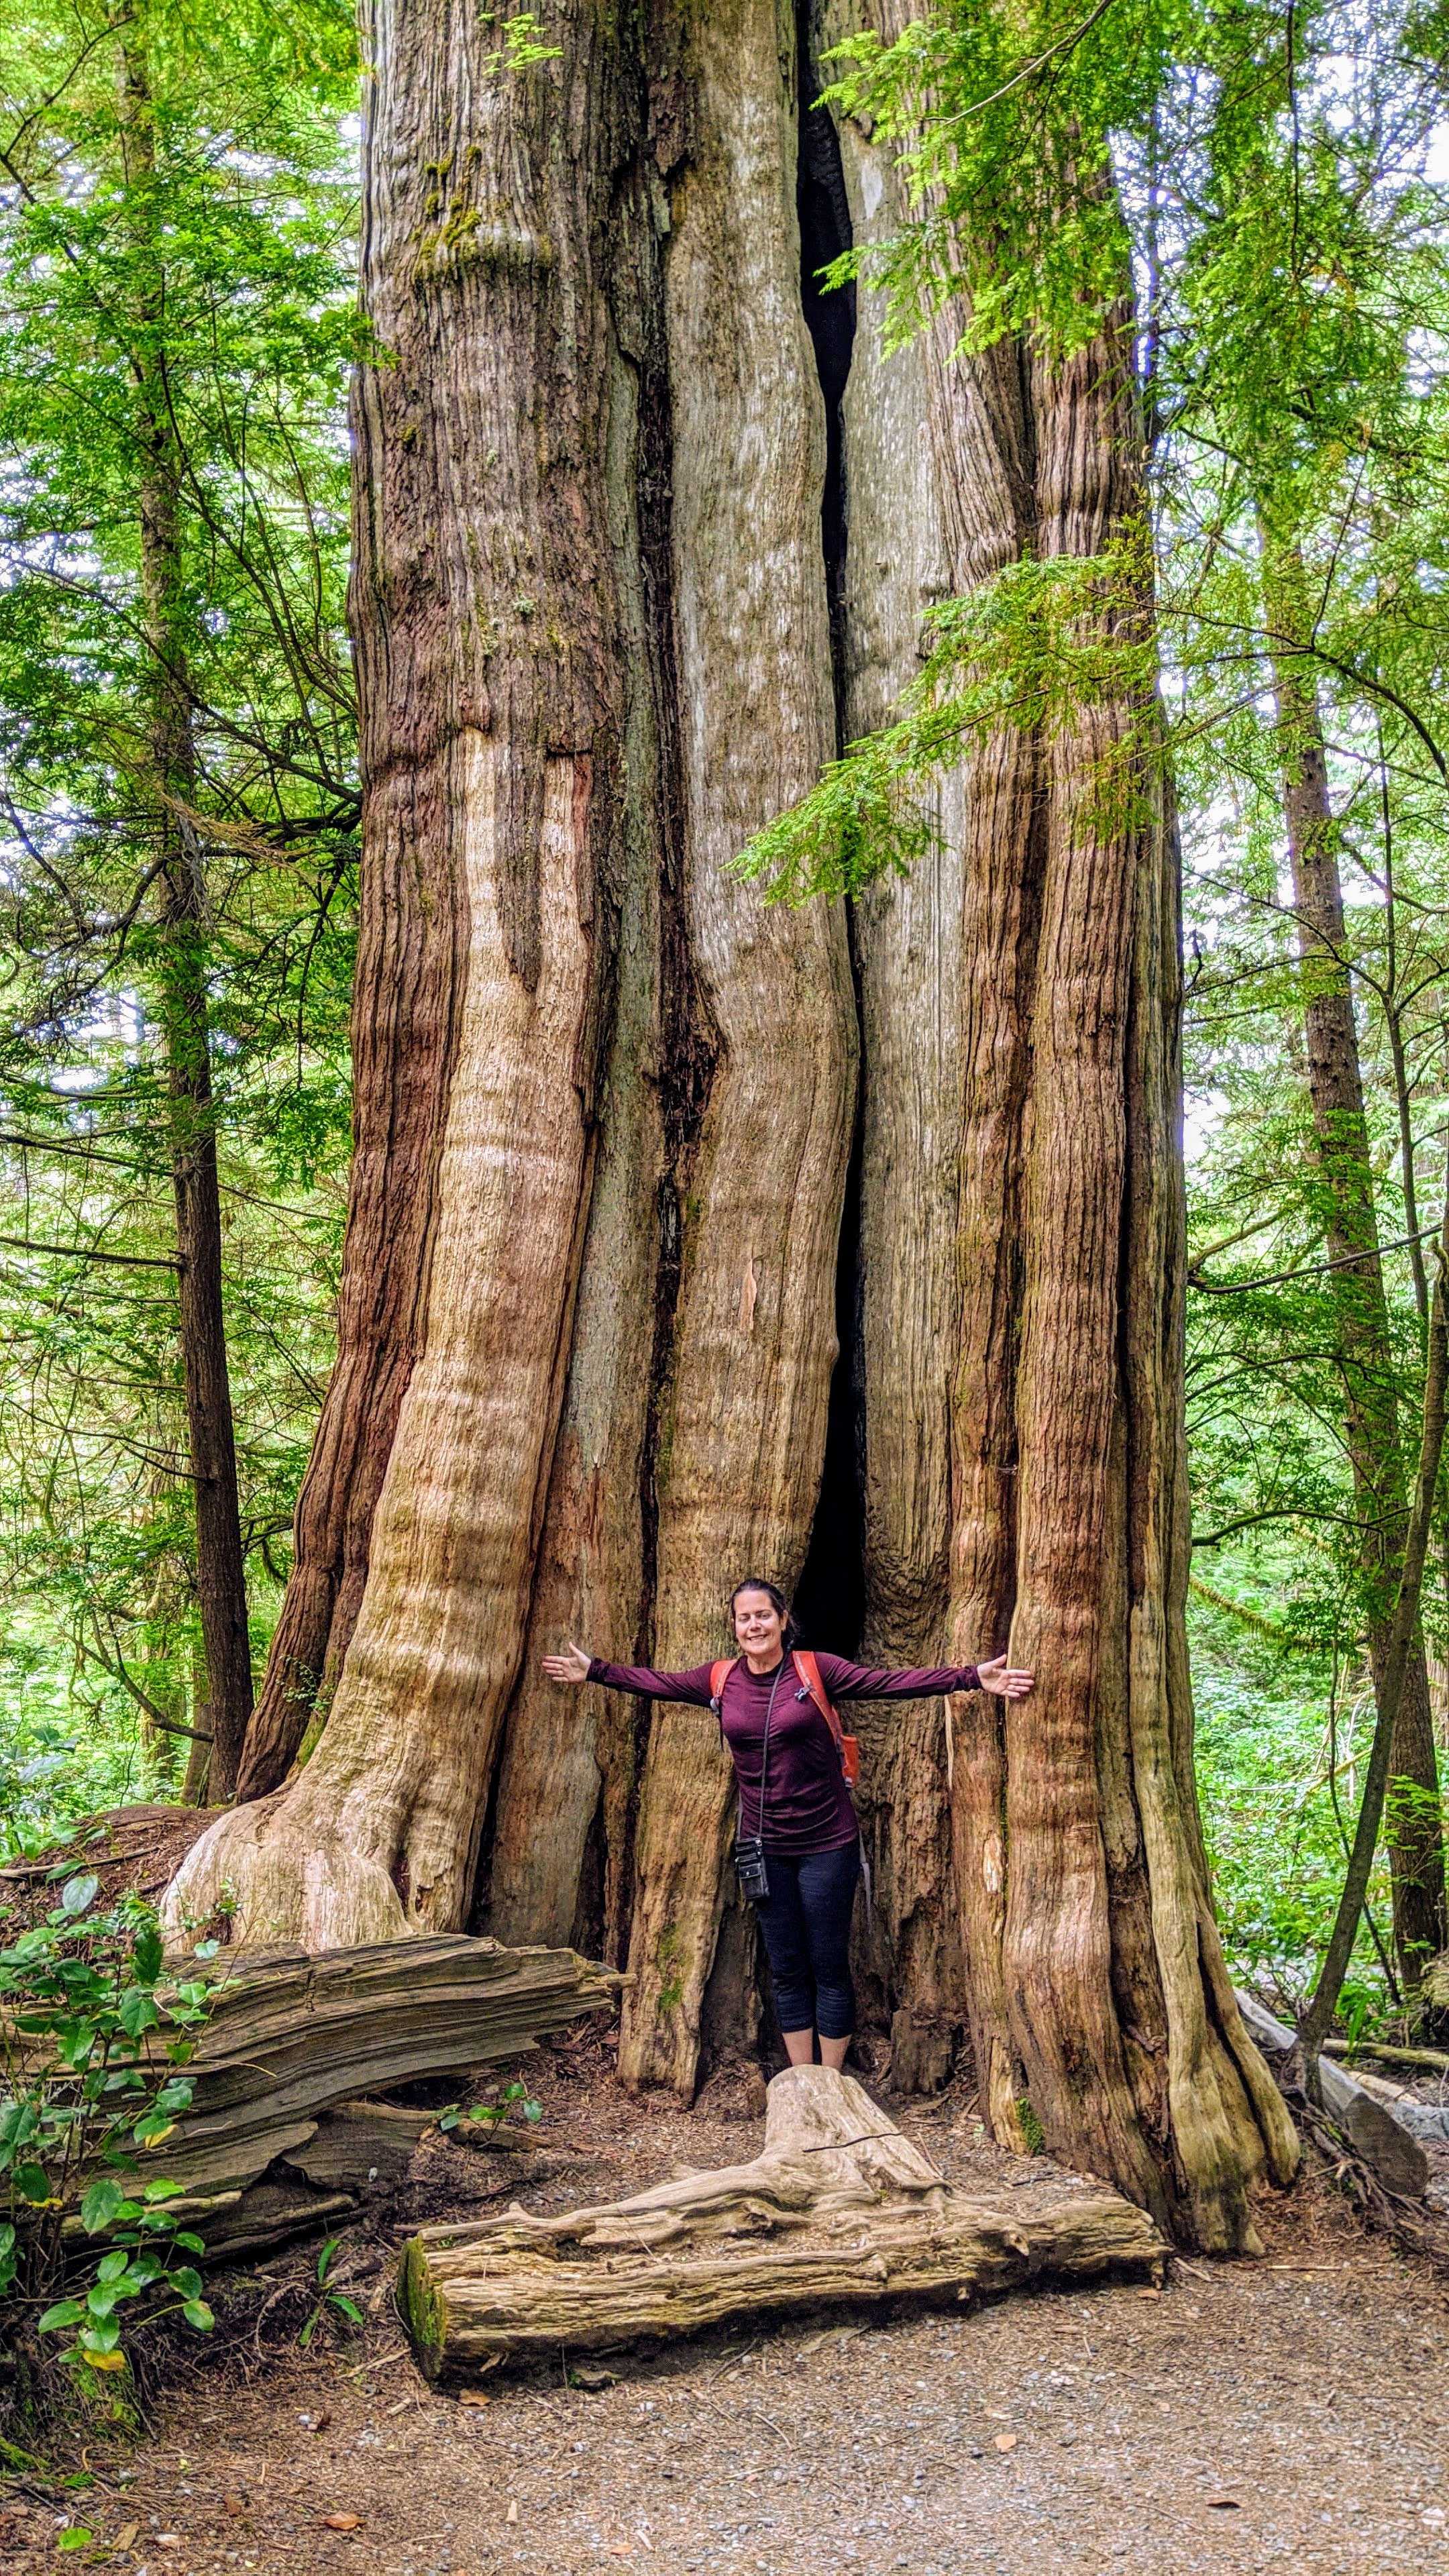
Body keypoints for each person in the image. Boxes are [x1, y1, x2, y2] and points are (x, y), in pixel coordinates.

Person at [541, 1577, 1034, 2075]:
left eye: (763, 1615)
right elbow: (659, 1684)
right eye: (744, 1618)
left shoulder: (816, 1670)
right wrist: (595, 1672)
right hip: (764, 1849)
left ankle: (831, 2081)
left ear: (782, 1620)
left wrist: (973, 1678)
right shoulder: (720, 1680)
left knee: (828, 1967)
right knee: (787, 1969)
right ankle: (802, 2081)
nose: (754, 1625)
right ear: (734, 1628)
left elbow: (889, 1683)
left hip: (827, 1844)